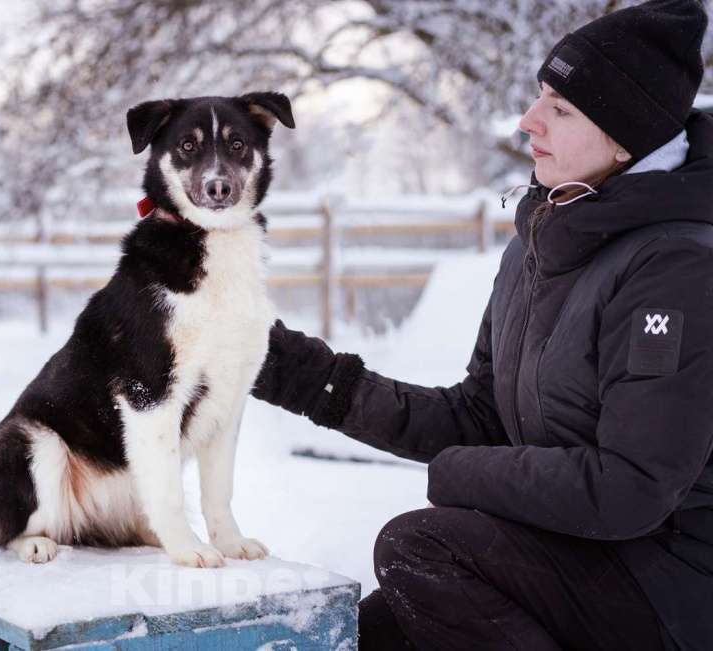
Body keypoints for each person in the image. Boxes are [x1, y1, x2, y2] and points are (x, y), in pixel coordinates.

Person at [251, 1, 713, 648]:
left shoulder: (678, 266)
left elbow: (632, 488)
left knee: (421, 549)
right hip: (581, 554)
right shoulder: (540, 243)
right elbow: (477, 415)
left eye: (561, 109)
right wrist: (299, 374)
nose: (529, 121)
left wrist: (459, 477)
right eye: (539, 97)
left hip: (671, 592)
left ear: (623, 138)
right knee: (377, 630)